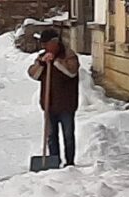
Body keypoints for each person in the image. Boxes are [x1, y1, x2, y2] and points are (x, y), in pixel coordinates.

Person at [28, 29, 80, 167]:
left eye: (47, 44)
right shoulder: (42, 57)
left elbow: (71, 72)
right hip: (49, 104)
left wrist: (56, 62)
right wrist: (42, 64)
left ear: (55, 43)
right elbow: (33, 75)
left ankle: (69, 162)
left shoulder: (69, 55)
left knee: (68, 136)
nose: (45, 47)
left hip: (66, 104)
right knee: (51, 137)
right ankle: (53, 161)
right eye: (43, 44)